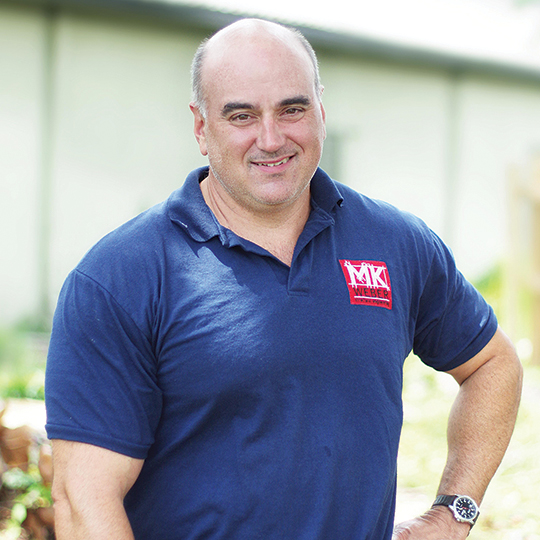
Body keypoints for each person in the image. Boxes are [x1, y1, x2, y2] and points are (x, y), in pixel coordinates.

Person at [45, 18, 523, 540]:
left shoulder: (396, 243)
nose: (271, 139)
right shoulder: (121, 277)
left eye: (292, 109)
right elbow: (85, 502)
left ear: (321, 111)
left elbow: (493, 365)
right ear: (201, 127)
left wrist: (453, 513)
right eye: (241, 116)